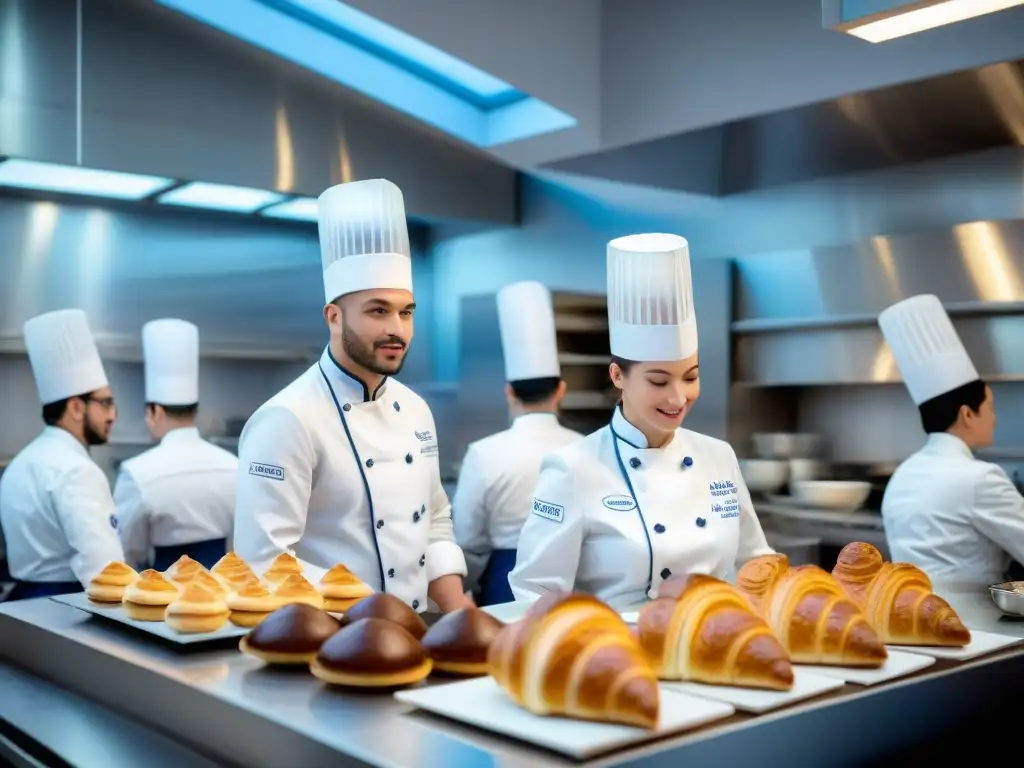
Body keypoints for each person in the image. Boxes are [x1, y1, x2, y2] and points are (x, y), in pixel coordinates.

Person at [233, 178, 469, 613]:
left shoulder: (415, 410)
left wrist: (460, 615)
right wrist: (373, 610)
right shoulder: (287, 419)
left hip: (416, 631)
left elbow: (434, 520)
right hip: (328, 637)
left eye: (406, 312)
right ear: (334, 316)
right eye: (378, 311)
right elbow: (265, 561)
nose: (397, 329)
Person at [508, 233, 773, 607]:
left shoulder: (719, 456)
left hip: (713, 637)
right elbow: (535, 593)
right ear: (618, 376)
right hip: (618, 650)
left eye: (691, 377)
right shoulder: (571, 469)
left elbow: (755, 565)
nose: (679, 397)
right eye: (659, 381)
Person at [879, 294, 1024, 585]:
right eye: (990, 408)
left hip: (909, 618)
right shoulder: (981, 479)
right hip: (976, 625)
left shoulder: (902, 475)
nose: (995, 418)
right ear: (967, 414)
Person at [453, 281, 582, 606]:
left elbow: (468, 537)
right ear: (561, 391)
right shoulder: (587, 447)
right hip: (574, 581)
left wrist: (461, 591)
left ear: (509, 392)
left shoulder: (484, 452)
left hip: (503, 583)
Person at [0, 309, 124, 600]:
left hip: (21, 602)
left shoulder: (22, 461)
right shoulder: (77, 471)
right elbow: (107, 571)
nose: (113, 415)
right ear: (76, 407)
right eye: (105, 404)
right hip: (65, 605)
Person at [112, 319, 238, 571]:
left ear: (155, 411)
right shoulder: (233, 465)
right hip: (220, 591)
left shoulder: (137, 472)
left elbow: (126, 550)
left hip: (163, 595)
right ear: (195, 410)